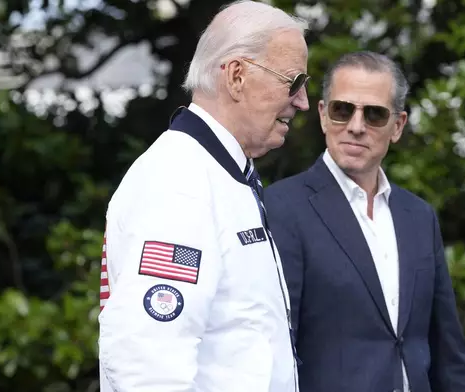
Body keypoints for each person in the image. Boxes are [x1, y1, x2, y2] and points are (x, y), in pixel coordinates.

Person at [97, 1, 310, 391]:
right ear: (237, 76)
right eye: (294, 82)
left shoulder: (220, 174)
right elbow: (148, 363)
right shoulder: (181, 181)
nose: (303, 101)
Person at [263, 51, 465, 392]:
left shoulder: (419, 216)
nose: (356, 126)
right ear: (322, 115)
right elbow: (271, 345)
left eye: (374, 114)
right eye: (342, 109)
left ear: (398, 126)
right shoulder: (281, 207)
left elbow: (447, 348)